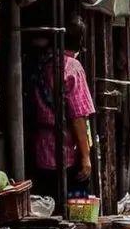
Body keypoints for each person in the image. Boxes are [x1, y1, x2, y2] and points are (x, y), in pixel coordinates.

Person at [32, 15, 95, 195]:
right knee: (72, 209)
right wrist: (85, 156)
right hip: (65, 152)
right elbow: (78, 116)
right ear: (80, 42)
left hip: (41, 149)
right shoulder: (72, 66)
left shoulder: (42, 64)